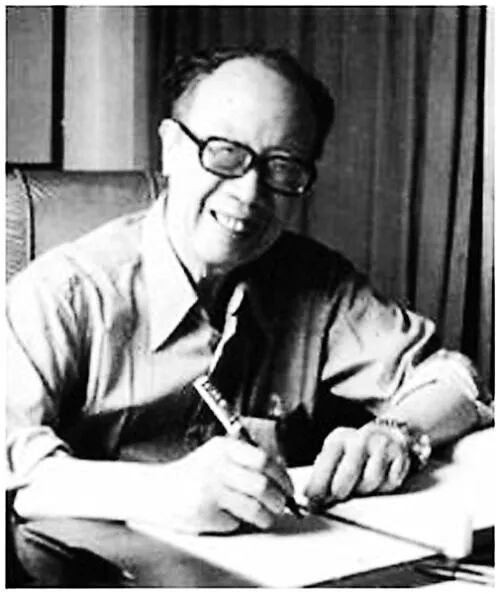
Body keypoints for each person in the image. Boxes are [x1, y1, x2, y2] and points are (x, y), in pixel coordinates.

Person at [7, 47, 492, 535]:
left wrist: (397, 434)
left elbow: (454, 379)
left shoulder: (316, 283)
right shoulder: (63, 293)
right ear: (170, 148)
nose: (248, 193)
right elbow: (10, 456)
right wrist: (160, 492)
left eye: (282, 167)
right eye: (224, 153)